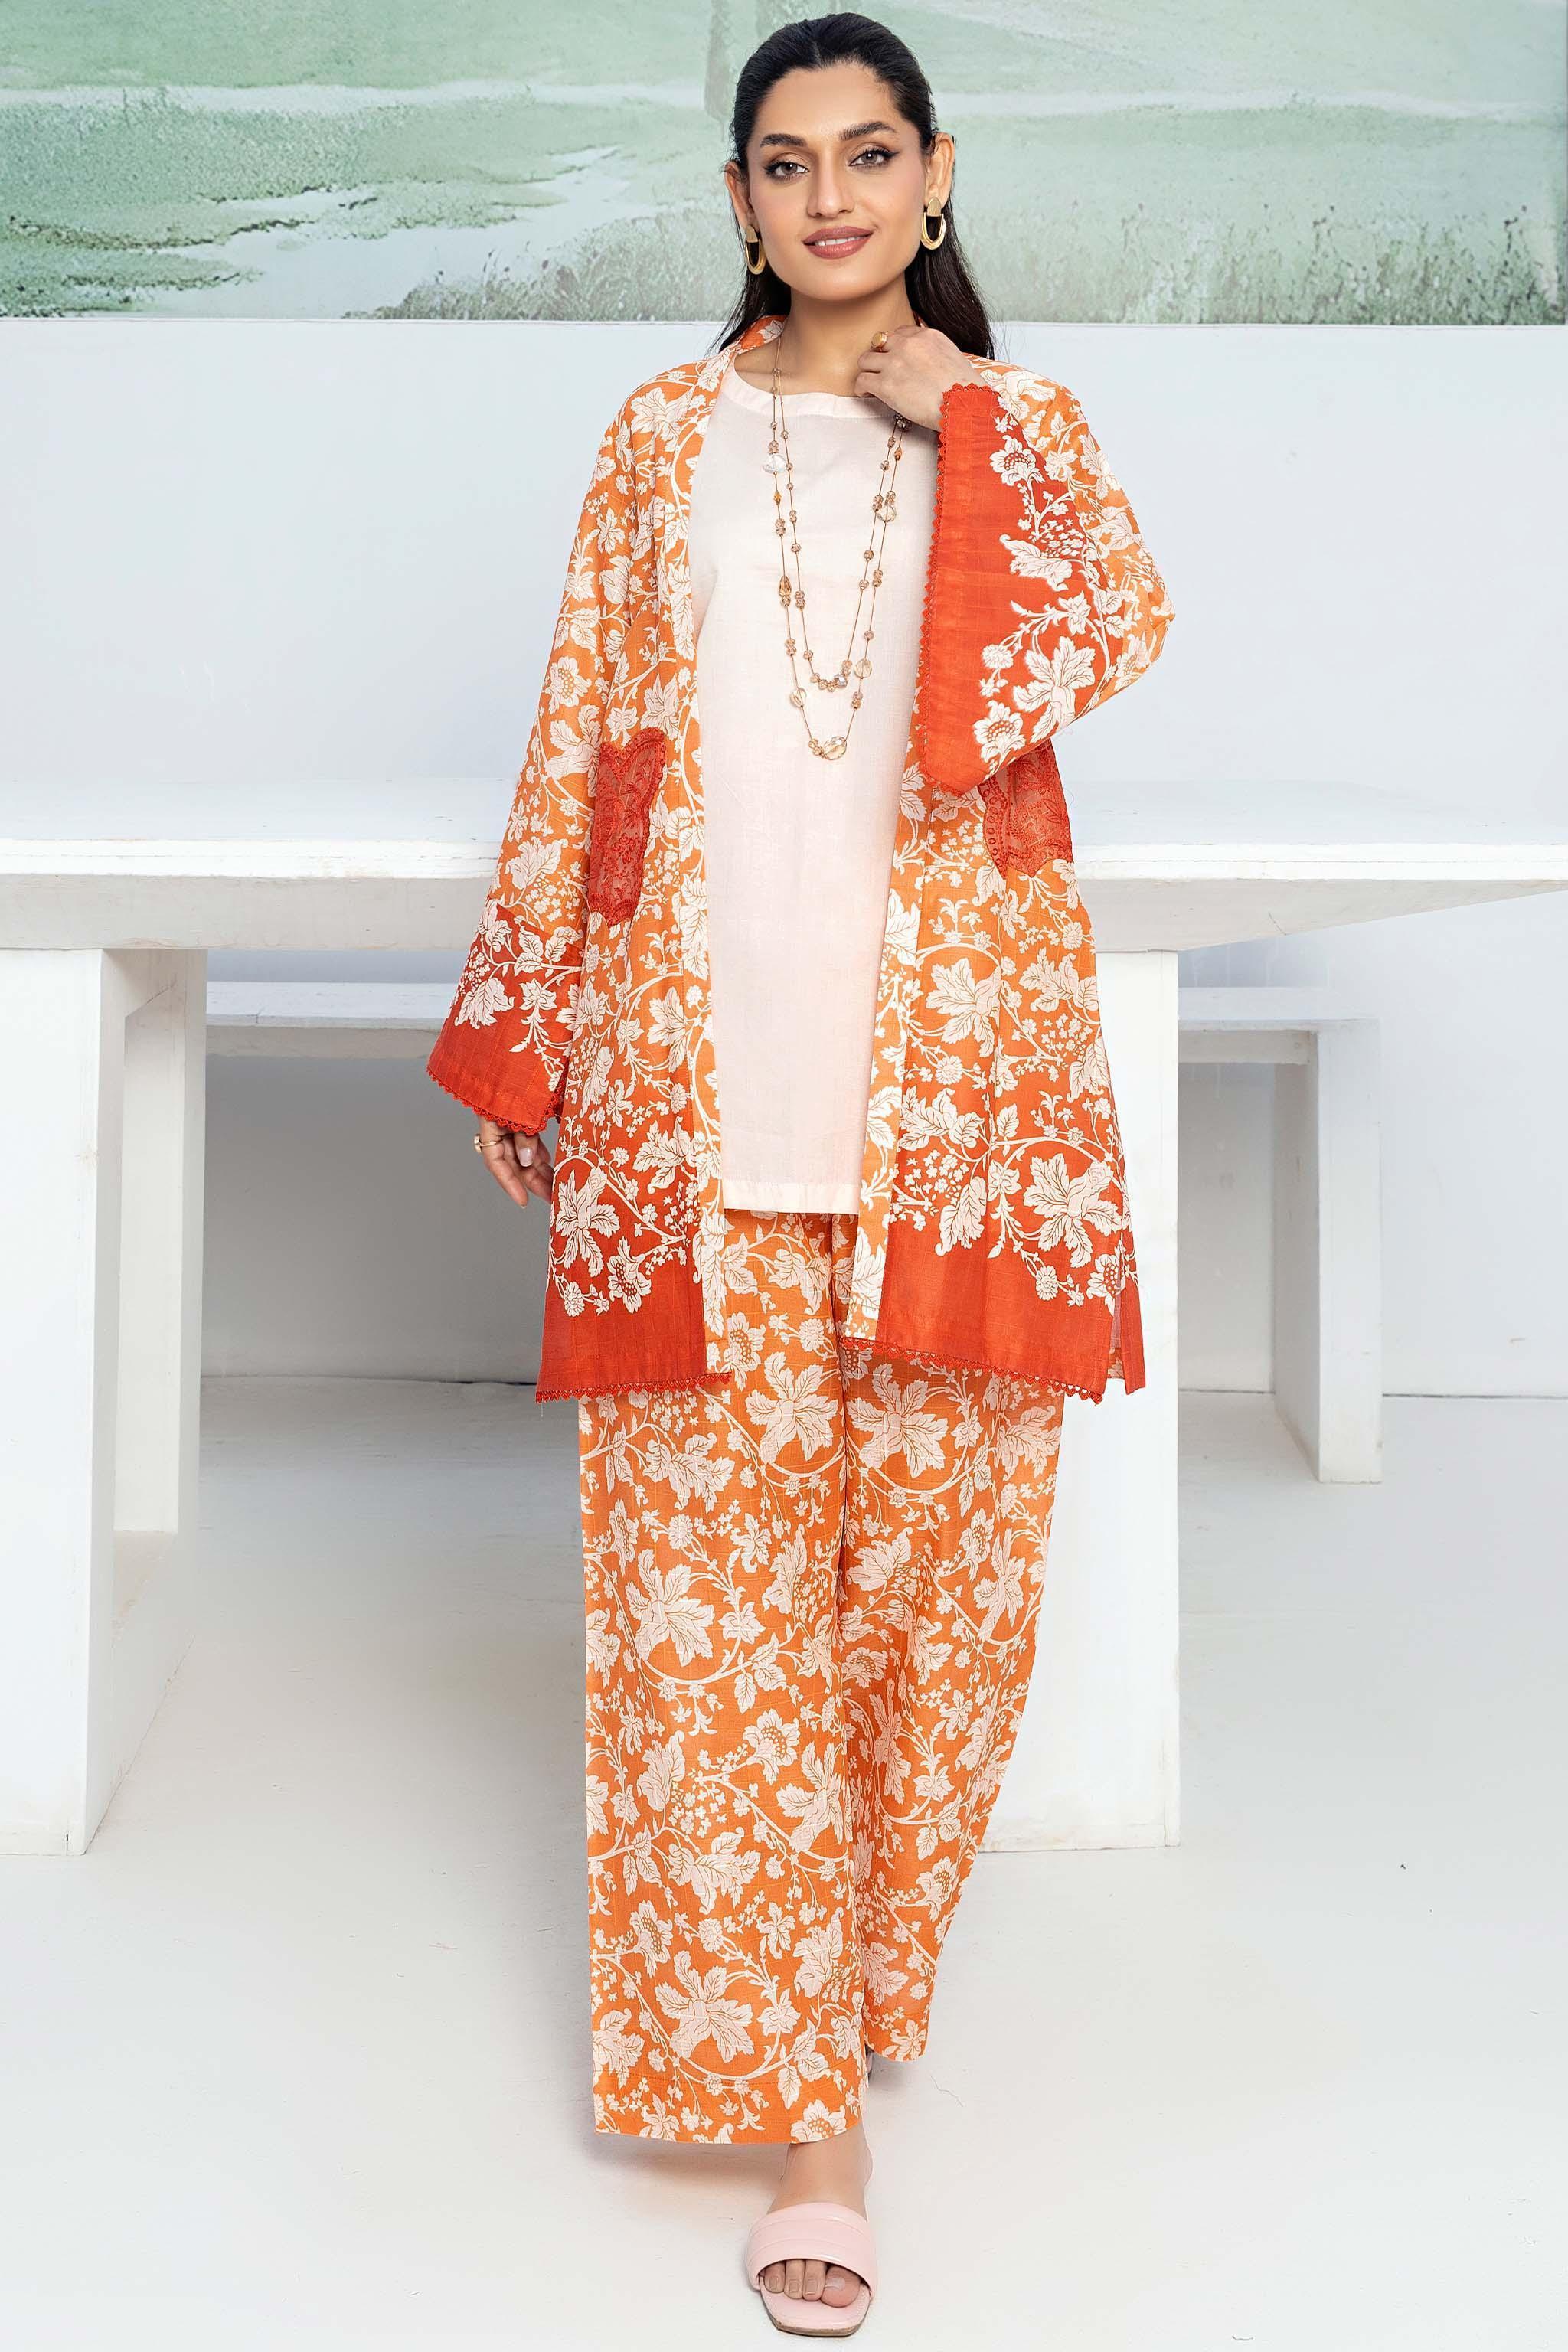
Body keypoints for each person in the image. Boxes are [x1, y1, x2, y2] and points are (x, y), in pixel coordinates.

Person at [426, 13, 1173, 2334]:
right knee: (710, 1633)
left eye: (867, 154)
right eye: (782, 159)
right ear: (738, 198)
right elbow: (578, 733)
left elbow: (1116, 627)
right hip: (694, 1095)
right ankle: (809, 2119)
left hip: (951, 1113)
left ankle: (849, 1983)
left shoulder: (1021, 431)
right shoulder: (660, 435)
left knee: (934, 1611)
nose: (827, 194)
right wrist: (530, 1020)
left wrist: (965, 421)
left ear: (935, 176)